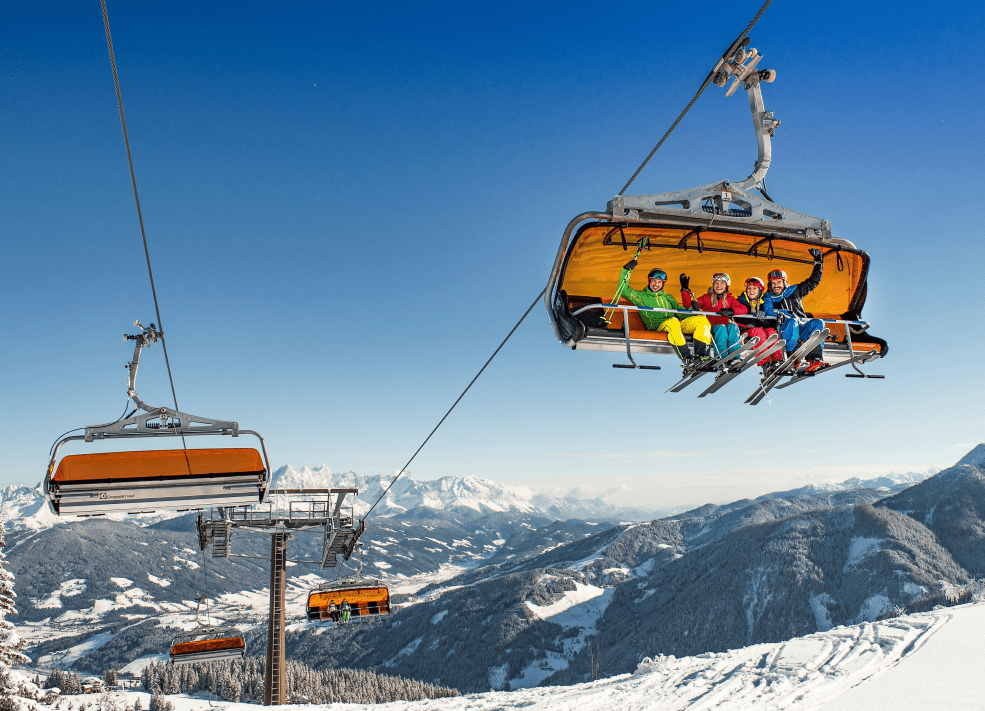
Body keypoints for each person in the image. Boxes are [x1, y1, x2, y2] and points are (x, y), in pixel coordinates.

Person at [617, 258, 713, 366]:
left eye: (659, 282)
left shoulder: (668, 297)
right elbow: (623, 290)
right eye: (654, 281)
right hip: (659, 326)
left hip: (675, 325)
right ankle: (687, 357)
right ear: (649, 281)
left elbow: (680, 312)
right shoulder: (641, 296)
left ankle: (702, 356)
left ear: (663, 284)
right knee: (673, 322)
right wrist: (626, 270)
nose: (656, 284)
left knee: (702, 320)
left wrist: (692, 310)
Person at [763, 248, 828, 372]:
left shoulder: (795, 291)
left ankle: (814, 359)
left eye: (779, 282)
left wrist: (818, 262)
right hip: (784, 327)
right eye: (773, 283)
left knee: (818, 323)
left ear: (784, 282)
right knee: (793, 322)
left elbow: (813, 281)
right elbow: (768, 310)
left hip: (801, 325)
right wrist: (785, 314)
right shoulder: (769, 297)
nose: (776, 285)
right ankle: (794, 358)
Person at [680, 272, 747, 359]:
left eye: (722, 283)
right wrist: (685, 291)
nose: (719, 285)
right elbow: (688, 305)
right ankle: (721, 357)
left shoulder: (729, 299)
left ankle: (735, 357)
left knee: (733, 327)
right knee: (722, 329)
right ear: (713, 285)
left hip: (726, 325)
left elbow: (744, 309)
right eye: (716, 283)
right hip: (713, 326)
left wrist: (732, 311)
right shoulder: (706, 298)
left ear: (726, 285)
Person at [736, 276, 783, 368]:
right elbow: (737, 314)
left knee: (771, 332)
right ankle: (765, 362)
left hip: (757, 333)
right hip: (744, 332)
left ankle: (777, 360)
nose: (751, 291)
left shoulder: (762, 305)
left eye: (754, 288)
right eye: (749, 288)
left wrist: (763, 319)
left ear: (760, 290)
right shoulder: (740, 302)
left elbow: (768, 325)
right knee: (758, 331)